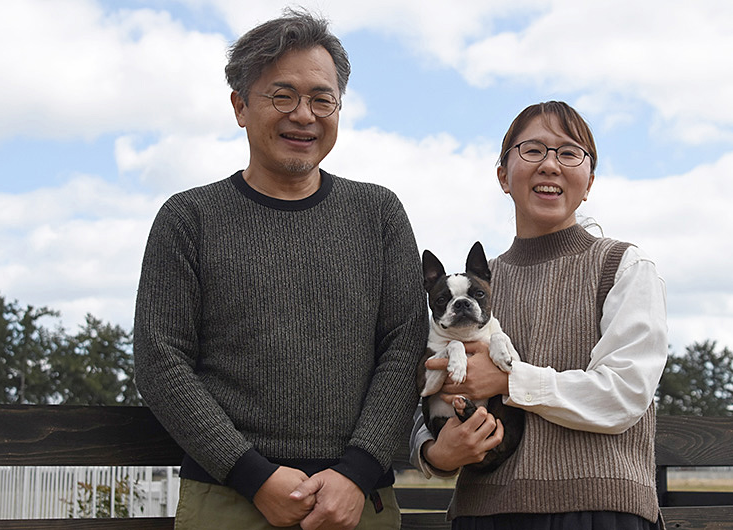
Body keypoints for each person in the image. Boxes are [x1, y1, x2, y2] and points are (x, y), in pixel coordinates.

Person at [134, 9, 428, 530]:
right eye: (282, 95)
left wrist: (357, 472)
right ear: (240, 106)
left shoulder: (379, 214)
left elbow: (404, 346)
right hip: (227, 498)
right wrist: (253, 475)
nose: (303, 114)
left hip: (359, 502)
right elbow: (161, 361)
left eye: (322, 98)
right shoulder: (189, 219)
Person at [410, 101, 668, 529]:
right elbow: (419, 381)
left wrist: (510, 380)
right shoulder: (467, 291)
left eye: (569, 153)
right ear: (502, 176)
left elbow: (625, 394)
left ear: (589, 183)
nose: (550, 164)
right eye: (532, 150)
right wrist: (434, 453)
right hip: (484, 511)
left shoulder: (624, 266)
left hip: (600, 508)